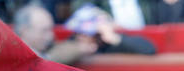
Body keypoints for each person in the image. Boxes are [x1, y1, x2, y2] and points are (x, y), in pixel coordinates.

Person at [13, 3, 154, 66]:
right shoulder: (72, 43)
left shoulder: (106, 42)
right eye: (84, 31)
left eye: (93, 31)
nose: (49, 36)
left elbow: (149, 49)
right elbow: (46, 59)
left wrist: (114, 38)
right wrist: (80, 49)